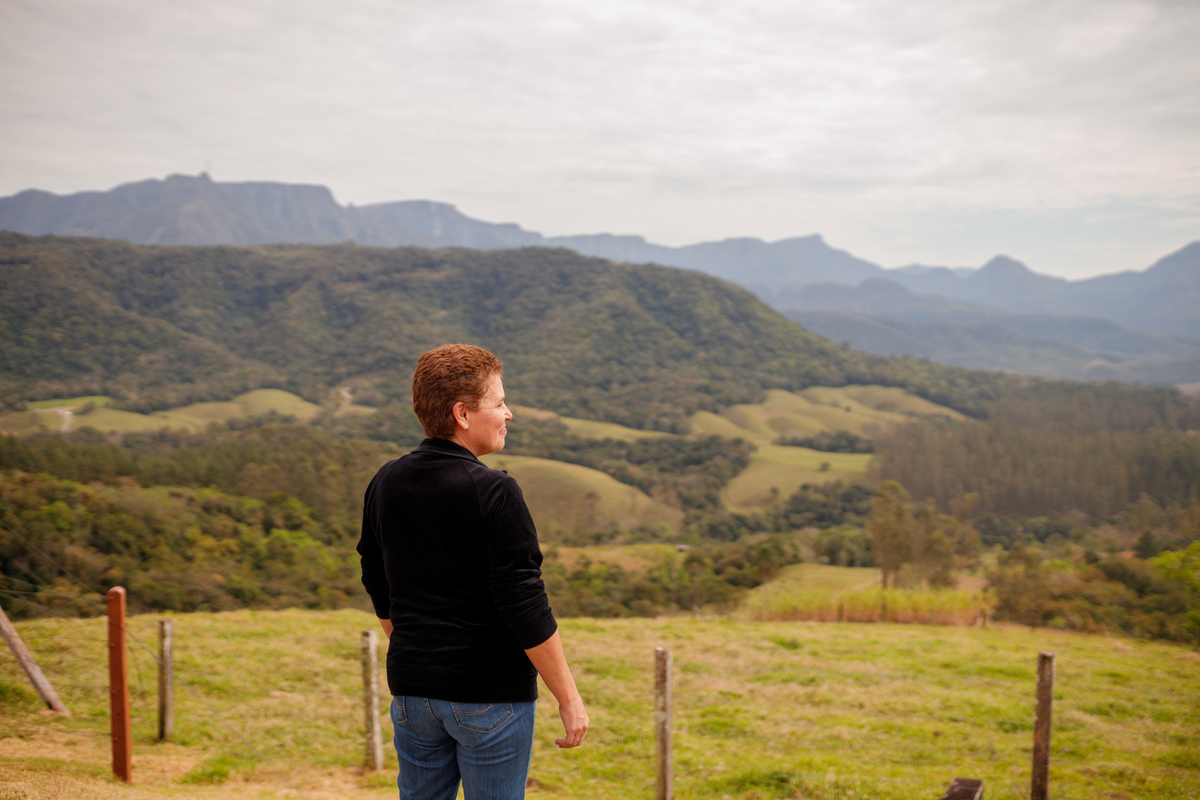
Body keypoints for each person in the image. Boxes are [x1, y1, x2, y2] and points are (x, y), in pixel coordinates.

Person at [358, 343, 588, 800]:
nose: (509, 414)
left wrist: (414, 647)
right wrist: (569, 697)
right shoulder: (495, 490)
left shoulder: (386, 480)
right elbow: (524, 601)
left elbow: (375, 576)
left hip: (412, 693)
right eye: (500, 402)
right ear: (463, 414)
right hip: (490, 696)